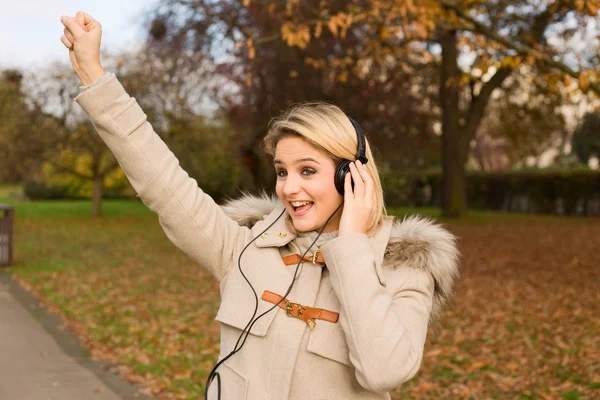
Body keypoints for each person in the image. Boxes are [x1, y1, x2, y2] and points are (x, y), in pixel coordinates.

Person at [60, 11, 460, 400]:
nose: (288, 187)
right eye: (282, 171)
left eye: (307, 170)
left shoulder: (406, 269)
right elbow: (162, 181)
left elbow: (385, 372)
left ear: (350, 175)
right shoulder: (245, 247)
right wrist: (94, 75)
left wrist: (352, 247)